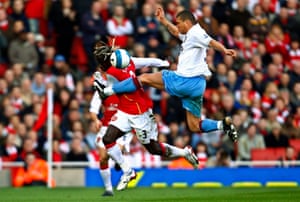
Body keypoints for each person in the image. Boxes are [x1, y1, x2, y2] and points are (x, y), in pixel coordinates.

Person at [96, 8, 238, 142]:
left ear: (187, 22)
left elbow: (211, 41)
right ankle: (222, 125)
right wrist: (163, 21)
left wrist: (224, 49)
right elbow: (176, 32)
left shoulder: (196, 32)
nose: (178, 26)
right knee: (194, 125)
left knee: (144, 78)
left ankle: (107, 91)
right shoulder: (190, 35)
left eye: (179, 23)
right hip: (198, 85)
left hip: (185, 80)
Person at [92, 42, 199, 191]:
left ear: (106, 60)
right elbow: (147, 61)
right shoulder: (128, 62)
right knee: (108, 139)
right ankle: (128, 172)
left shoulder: (113, 71)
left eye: (100, 61)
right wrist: (164, 62)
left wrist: (101, 85)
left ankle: (184, 152)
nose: (99, 65)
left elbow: (121, 86)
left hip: (140, 113)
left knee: (153, 149)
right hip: (124, 111)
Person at [89, 71, 133, 196]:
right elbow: (93, 110)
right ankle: (108, 189)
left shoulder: (124, 90)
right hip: (105, 127)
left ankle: (119, 161)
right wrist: (96, 119)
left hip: (121, 128)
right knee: (103, 158)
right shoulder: (101, 91)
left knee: (115, 150)